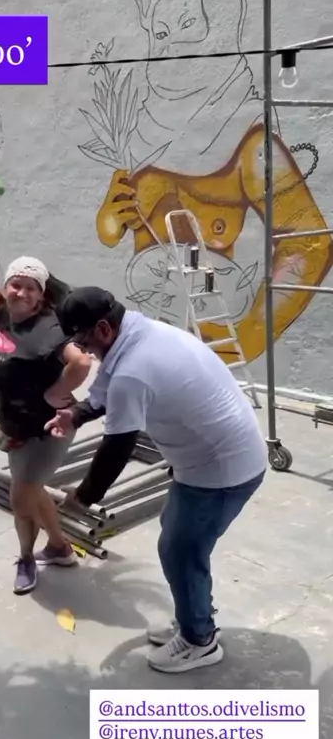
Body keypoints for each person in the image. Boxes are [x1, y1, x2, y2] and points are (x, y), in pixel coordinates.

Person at [46, 286, 267, 673]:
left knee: (180, 551)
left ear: (104, 328)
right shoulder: (138, 334)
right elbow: (106, 388)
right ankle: (192, 616)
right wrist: (76, 414)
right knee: (179, 538)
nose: (85, 351)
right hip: (209, 460)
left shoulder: (134, 369)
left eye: (84, 341)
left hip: (222, 470)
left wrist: (81, 498)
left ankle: (199, 640)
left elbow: (117, 447)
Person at [0, 198, 92, 594]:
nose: (20, 291)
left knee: (21, 495)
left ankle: (26, 558)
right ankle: (60, 547)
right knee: (32, 490)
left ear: (41, 295)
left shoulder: (49, 329)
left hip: (49, 428)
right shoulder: (0, 312)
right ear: (6, 286)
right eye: (15, 283)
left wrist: (55, 394)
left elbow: (81, 363)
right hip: (15, 424)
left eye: (30, 287)